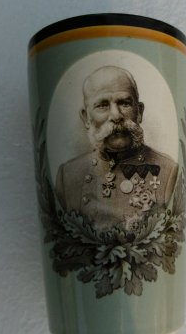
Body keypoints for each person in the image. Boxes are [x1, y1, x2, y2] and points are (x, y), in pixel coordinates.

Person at [55, 65, 178, 231]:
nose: (116, 115)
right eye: (102, 105)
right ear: (86, 118)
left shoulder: (168, 172)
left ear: (139, 112)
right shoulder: (68, 176)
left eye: (124, 103)